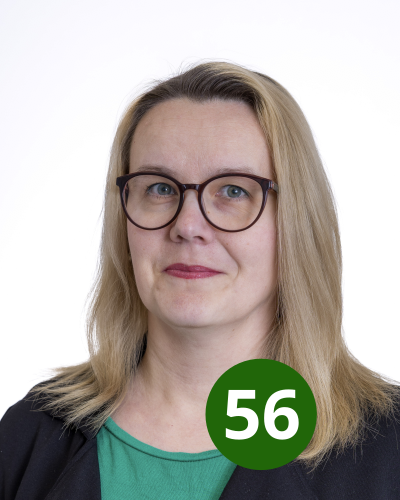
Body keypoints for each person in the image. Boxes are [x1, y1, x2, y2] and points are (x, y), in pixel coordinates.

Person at [1, 61, 399, 500]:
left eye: (233, 191)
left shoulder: (389, 449)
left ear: (296, 221)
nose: (188, 226)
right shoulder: (26, 438)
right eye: (159, 188)